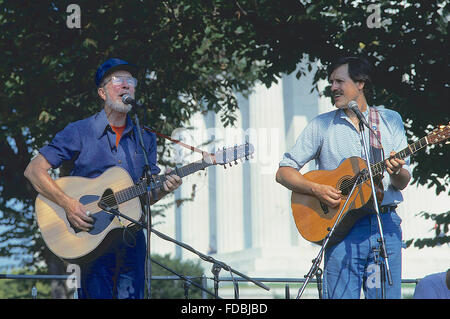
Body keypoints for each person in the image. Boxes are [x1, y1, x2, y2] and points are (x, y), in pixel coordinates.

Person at [24, 58, 182, 299]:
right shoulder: (79, 132)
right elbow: (34, 171)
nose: (126, 86)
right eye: (118, 80)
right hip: (89, 238)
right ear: (102, 92)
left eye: (130, 81)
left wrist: (164, 189)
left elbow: (145, 197)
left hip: (131, 239)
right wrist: (68, 204)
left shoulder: (146, 137)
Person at [276, 56, 411, 299]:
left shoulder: (389, 120)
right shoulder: (322, 125)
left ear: (361, 83)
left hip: (384, 226)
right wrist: (317, 189)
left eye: (340, 81)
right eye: (331, 82)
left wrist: (396, 170)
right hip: (341, 229)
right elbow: (284, 171)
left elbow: (402, 181)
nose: (333, 87)